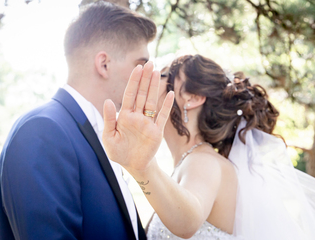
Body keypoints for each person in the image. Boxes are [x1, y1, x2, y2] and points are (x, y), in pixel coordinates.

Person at [102, 54, 315, 239]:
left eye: (164, 75)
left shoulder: (204, 161)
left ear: (193, 98)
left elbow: (187, 222)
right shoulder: (190, 161)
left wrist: (143, 168)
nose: (153, 78)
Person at [0, 2, 156, 239]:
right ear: (104, 64)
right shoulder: (42, 131)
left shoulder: (102, 134)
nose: (148, 77)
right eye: (140, 65)